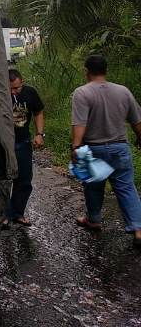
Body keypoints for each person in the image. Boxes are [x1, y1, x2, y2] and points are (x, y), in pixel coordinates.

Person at [71, 54, 141, 247]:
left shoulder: (82, 93)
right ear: (106, 70)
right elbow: (137, 121)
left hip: (92, 148)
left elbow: (79, 123)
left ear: (86, 71)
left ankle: (94, 219)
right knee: (126, 188)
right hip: (120, 147)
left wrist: (76, 146)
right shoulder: (123, 91)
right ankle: (138, 229)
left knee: (93, 187)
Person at [4, 68, 45, 227]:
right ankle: (4, 215)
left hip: (23, 142)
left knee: (24, 180)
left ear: (22, 82)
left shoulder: (30, 93)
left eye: (17, 88)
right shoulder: (0, 95)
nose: (14, 92)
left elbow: (39, 112)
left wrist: (39, 134)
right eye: (11, 89)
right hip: (4, 144)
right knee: (4, 181)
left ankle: (17, 213)